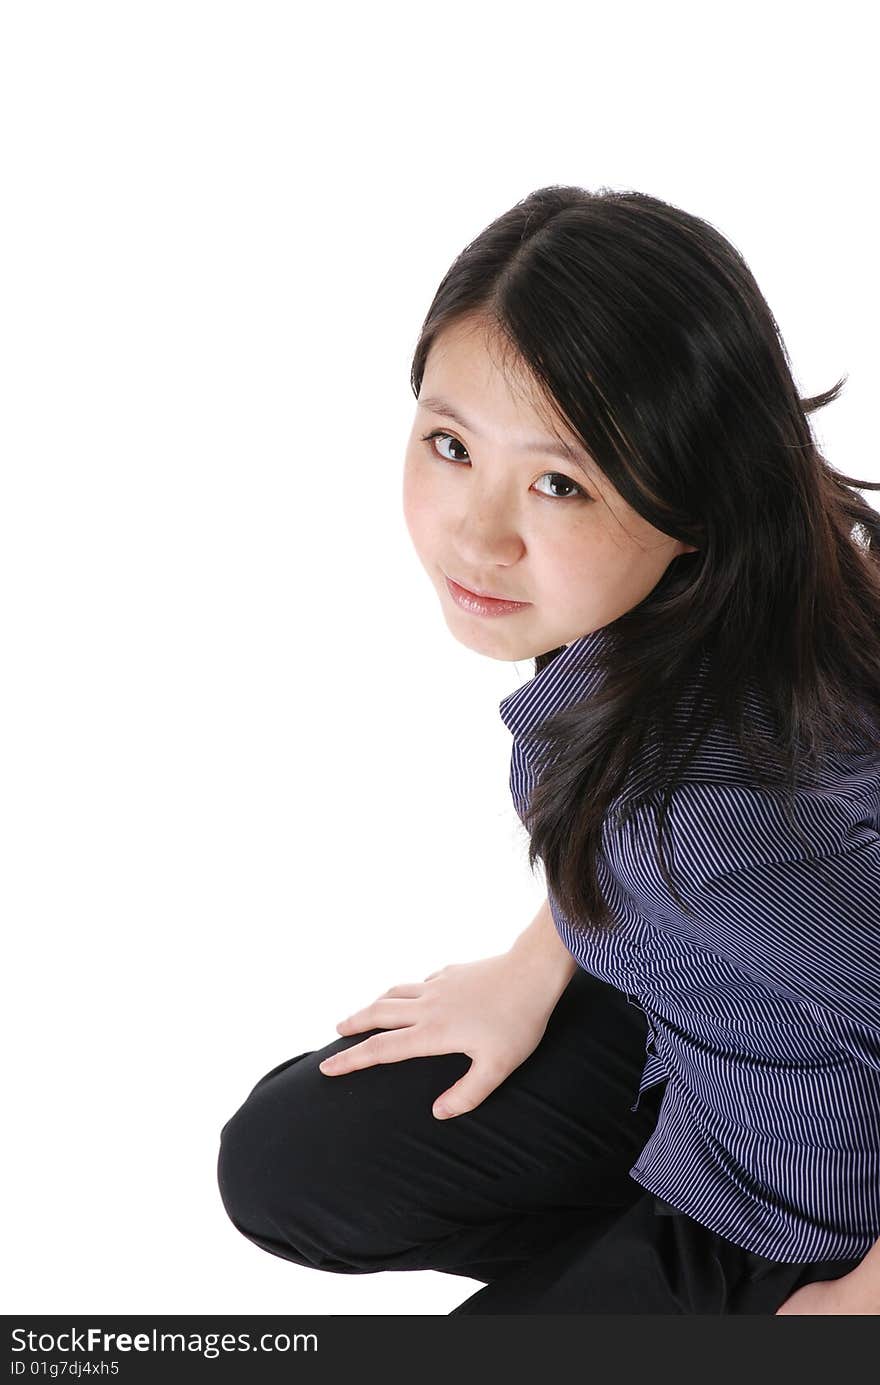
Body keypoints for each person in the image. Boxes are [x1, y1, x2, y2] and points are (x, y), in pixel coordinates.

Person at [216, 185, 880, 1314]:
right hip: (707, 1051)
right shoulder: (783, 576)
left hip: (797, 1206)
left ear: (695, 497)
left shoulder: (699, 814)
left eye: (560, 482)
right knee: (292, 1162)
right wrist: (537, 964)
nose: (478, 532)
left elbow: (705, 848)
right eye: (449, 444)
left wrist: (849, 1308)